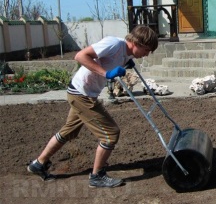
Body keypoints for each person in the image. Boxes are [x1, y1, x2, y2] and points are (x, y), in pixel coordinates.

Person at [27, 25, 158, 188]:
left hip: (84, 92)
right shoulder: (114, 44)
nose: (147, 54)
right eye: (147, 50)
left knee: (69, 131)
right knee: (110, 133)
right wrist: (106, 73)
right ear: (137, 43)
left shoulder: (125, 52)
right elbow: (80, 56)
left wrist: (126, 62)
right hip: (81, 94)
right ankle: (97, 176)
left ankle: (38, 164)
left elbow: (112, 60)